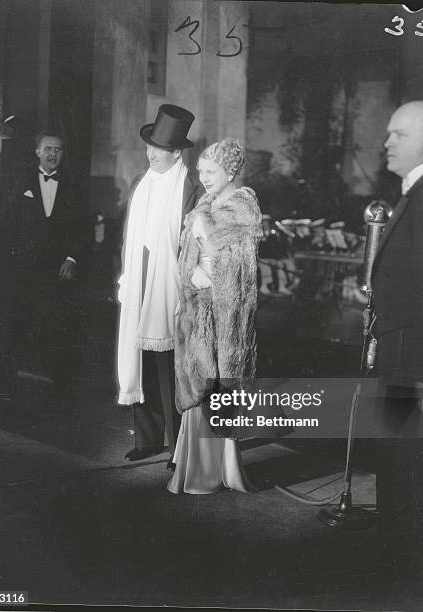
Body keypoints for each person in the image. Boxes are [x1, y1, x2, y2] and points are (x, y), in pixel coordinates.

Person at [372, 101, 423, 586]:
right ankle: (396, 555)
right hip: (403, 347)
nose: (387, 142)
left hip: (416, 354)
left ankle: (401, 569)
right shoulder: (419, 191)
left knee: (408, 460)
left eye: (399, 134)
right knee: (399, 456)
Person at [168, 138, 262, 494]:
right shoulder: (203, 204)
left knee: (217, 384)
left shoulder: (243, 210)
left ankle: (212, 471)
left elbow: (243, 271)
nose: (204, 179)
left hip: (224, 317)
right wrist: (191, 274)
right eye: (201, 172)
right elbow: (187, 255)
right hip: (197, 309)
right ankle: (194, 467)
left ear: (231, 171)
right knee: (197, 381)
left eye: (211, 172)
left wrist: (206, 244)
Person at [117, 104, 203, 465]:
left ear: (178, 152)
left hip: (171, 285)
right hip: (139, 280)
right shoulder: (141, 183)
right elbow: (128, 236)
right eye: (149, 147)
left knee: (172, 366)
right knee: (140, 358)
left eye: (161, 149)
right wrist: (125, 276)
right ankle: (148, 438)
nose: (152, 154)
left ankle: (178, 446)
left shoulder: (190, 187)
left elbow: (195, 244)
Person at [0, 130, 88, 396]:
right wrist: (14, 257)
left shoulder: (73, 187)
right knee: (16, 323)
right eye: (47, 149)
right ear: (37, 151)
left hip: (57, 271)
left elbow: (82, 229)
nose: (52, 154)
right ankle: (6, 382)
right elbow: (5, 223)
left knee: (58, 324)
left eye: (58, 150)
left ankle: (61, 385)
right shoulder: (19, 182)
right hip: (23, 270)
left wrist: (72, 259)